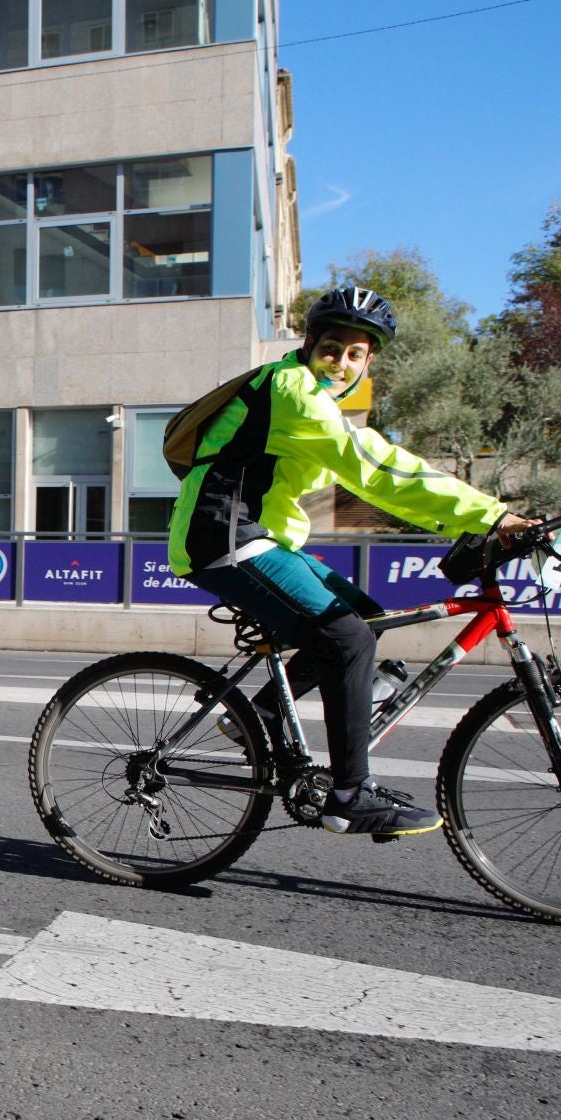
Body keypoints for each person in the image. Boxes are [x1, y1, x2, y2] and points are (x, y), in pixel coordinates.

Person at [167, 285, 533, 839]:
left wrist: (476, 518)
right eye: (332, 348)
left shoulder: (313, 398)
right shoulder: (294, 390)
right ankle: (348, 796)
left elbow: (367, 466)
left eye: (355, 354)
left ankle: (260, 718)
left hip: (260, 537)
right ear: (310, 344)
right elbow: (376, 468)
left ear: (369, 363)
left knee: (365, 618)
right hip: (222, 536)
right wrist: (490, 516)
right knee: (348, 639)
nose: (341, 363)